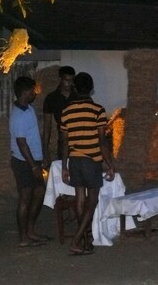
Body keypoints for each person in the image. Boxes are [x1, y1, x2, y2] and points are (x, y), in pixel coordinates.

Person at [59, 72, 115, 256]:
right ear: (91, 89)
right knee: (93, 199)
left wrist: (65, 166)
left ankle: (85, 237)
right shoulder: (98, 110)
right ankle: (77, 239)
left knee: (80, 199)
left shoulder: (66, 111)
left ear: (74, 87)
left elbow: (64, 142)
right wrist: (111, 164)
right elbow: (101, 141)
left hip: (74, 160)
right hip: (91, 161)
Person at [9, 76, 49, 247]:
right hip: (24, 162)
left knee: (39, 192)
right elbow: (21, 143)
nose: (35, 93)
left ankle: (30, 231)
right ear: (25, 92)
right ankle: (23, 237)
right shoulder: (18, 115)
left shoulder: (28, 109)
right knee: (25, 197)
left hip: (33, 160)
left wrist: (42, 155)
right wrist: (33, 165)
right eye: (33, 90)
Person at [42, 65, 75, 167]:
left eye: (71, 80)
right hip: (63, 141)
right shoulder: (52, 98)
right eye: (66, 80)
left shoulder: (79, 95)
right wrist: (45, 149)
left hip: (80, 140)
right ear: (60, 79)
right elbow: (47, 126)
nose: (69, 83)